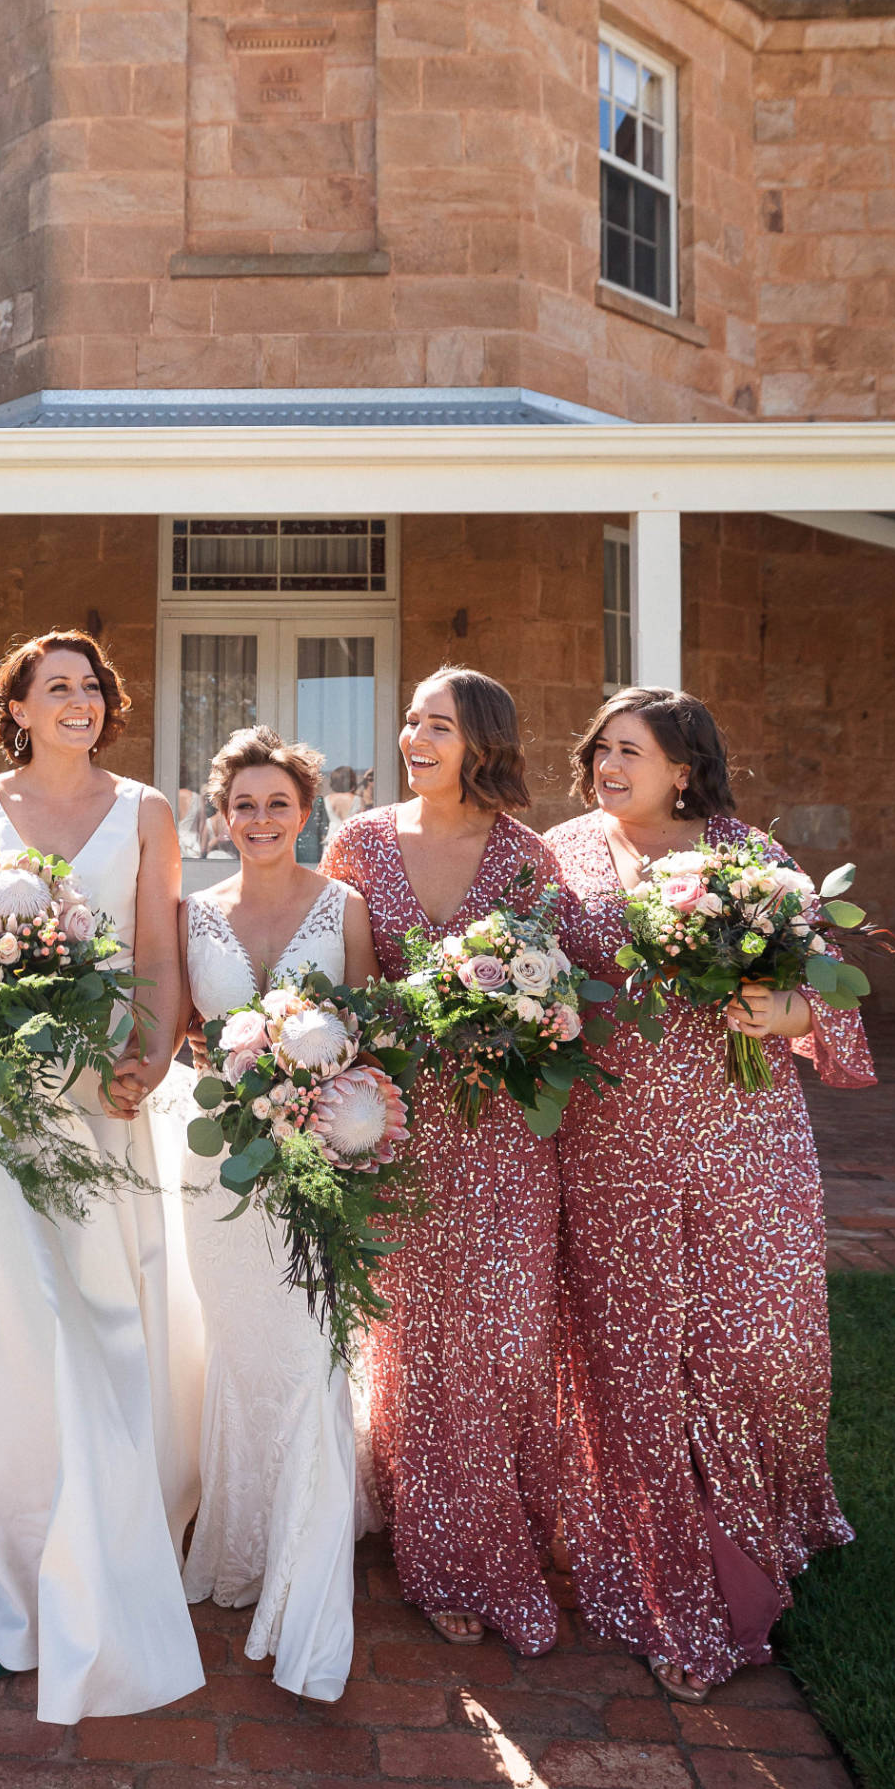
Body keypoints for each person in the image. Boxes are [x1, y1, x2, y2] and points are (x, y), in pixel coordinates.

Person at [547, 687, 874, 1701]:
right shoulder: (559, 855)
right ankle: (669, 1560)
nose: (608, 765)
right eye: (601, 749)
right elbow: (534, 978)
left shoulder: (751, 859)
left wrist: (783, 1009)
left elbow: (829, 1003)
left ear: (683, 767)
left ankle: (761, 1518)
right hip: (612, 1148)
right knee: (635, 1352)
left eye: (629, 751)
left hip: (744, 1142)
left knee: (757, 1342)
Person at [0, 631, 204, 1722]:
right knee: (8, 1322)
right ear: (18, 708)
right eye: (56, 689)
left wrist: (157, 1054)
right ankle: (16, 1573)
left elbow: (158, 954)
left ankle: (113, 1534)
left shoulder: (144, 811)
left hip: (103, 1094)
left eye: (91, 686)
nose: (78, 701)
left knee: (100, 1310)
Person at [323, 665, 571, 1656]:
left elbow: (558, 1001)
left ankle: (504, 1517)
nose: (415, 738)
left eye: (439, 726)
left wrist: (514, 1022)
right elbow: (341, 983)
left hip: (507, 1136)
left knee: (507, 1336)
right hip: (402, 1127)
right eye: (410, 722)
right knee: (416, 1348)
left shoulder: (526, 859)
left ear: (483, 744)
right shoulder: (358, 842)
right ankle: (440, 1553)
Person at [175, 725, 377, 1702]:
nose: (258, 819)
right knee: (243, 1356)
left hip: (318, 1164)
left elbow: (374, 1035)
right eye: (242, 804)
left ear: (306, 813)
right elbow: (173, 1034)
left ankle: (306, 1576)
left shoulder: (343, 908)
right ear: (223, 815)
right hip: (217, 1173)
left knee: (309, 1358)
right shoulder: (190, 913)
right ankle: (240, 1540)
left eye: (277, 804)